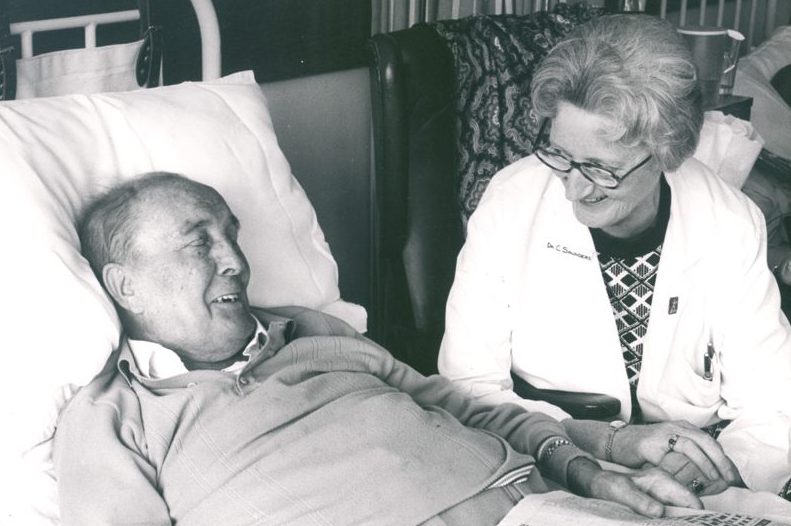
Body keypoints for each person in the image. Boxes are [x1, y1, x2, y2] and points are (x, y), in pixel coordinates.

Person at [54, 172, 709, 526]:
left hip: (535, 510)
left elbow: (464, 408)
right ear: (125, 284)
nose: (234, 261)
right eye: (199, 243)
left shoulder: (313, 334)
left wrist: (588, 461)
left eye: (232, 236)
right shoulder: (113, 416)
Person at [438, 13, 791, 501]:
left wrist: (711, 473)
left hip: (696, 477)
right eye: (560, 155)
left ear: (667, 150)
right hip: (548, 458)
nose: (574, 189)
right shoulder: (511, 200)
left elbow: (771, 405)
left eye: (602, 169)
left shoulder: (729, 221)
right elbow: (467, 387)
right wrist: (608, 445)